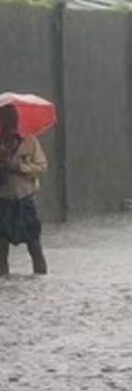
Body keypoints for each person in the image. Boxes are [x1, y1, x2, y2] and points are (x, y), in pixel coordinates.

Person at [0, 105, 48, 275]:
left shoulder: (30, 140)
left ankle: (41, 285)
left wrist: (20, 167)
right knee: (1, 251)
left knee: (34, 246)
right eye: (5, 120)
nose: (10, 124)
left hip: (25, 200)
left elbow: (42, 167)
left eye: (12, 120)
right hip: (3, 202)